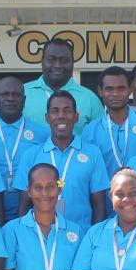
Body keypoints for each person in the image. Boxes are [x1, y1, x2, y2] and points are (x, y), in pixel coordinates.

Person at [14, 91, 109, 225]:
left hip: (81, 238)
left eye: (67, 111)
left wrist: (94, 240)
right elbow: (24, 204)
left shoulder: (93, 153)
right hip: (41, 238)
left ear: (76, 116)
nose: (61, 116)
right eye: (55, 111)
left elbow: (99, 205)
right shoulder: (31, 155)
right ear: (47, 118)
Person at [0, 76, 50, 218]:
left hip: (29, 213)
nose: (10, 98)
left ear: (24, 101)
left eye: (16, 95)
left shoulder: (43, 134)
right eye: (5, 94)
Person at [23, 37, 103, 134]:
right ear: (42, 61)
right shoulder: (22, 93)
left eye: (64, 60)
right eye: (51, 59)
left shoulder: (90, 99)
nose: (57, 65)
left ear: (73, 63)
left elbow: (100, 138)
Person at [82, 65, 136, 175]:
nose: (115, 94)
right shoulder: (90, 131)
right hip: (107, 192)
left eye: (121, 88)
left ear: (130, 89)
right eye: (109, 89)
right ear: (100, 91)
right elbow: (88, 171)